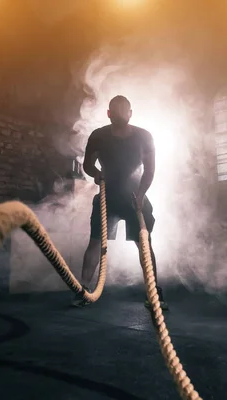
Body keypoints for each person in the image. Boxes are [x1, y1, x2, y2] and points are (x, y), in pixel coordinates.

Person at [72, 95, 169, 311]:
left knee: (144, 244)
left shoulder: (144, 136)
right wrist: (96, 174)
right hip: (108, 196)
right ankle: (83, 290)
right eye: (115, 110)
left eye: (124, 110)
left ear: (130, 113)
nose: (119, 113)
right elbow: (88, 165)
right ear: (109, 114)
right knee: (95, 242)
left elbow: (150, 170)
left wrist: (141, 194)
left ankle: (154, 293)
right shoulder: (99, 136)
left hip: (136, 196)